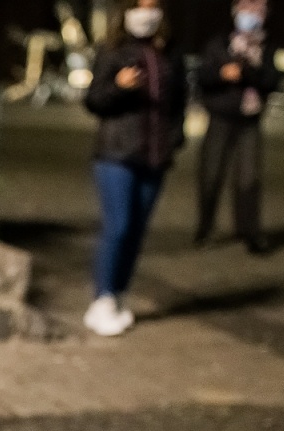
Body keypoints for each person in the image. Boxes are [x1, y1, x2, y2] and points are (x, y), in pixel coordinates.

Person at [82, 0, 187, 338]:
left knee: (137, 230)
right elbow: (94, 100)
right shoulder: (112, 51)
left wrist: (175, 137)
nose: (147, 13)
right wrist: (120, 87)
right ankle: (101, 299)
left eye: (154, 6)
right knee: (119, 226)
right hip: (117, 153)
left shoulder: (169, 53)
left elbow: (180, 100)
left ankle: (118, 295)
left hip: (155, 156)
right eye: (140, 6)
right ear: (126, 11)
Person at [195, 0, 279, 254]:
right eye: (247, 9)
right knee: (211, 174)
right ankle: (205, 227)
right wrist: (222, 73)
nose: (252, 15)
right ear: (236, 12)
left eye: (259, 11)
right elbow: (202, 77)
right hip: (220, 116)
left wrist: (251, 70)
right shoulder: (218, 44)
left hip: (249, 119)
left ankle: (250, 231)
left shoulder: (267, 47)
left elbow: (272, 80)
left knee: (249, 177)